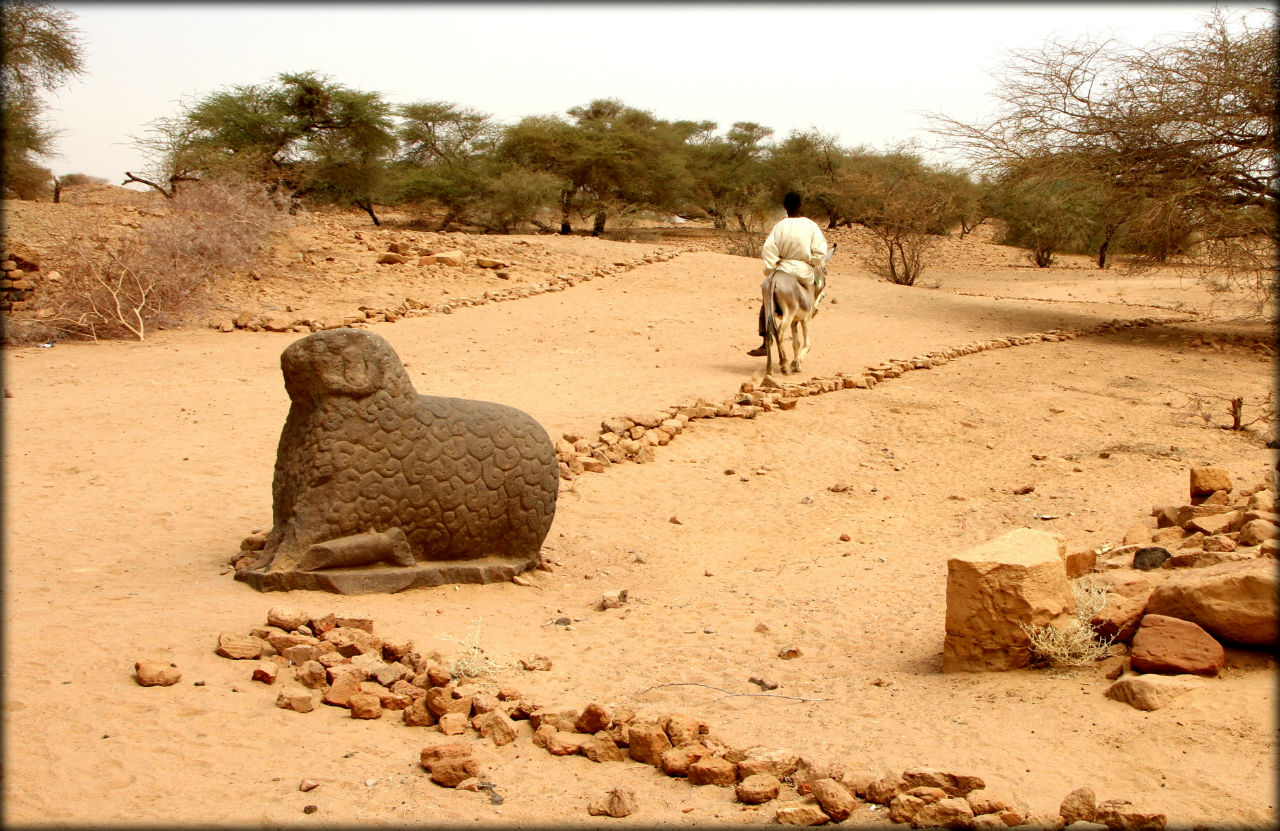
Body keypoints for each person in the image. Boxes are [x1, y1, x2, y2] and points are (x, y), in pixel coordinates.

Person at [747, 191, 829, 357]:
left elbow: (769, 250)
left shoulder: (779, 226)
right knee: (817, 284)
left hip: (783, 268)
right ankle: (810, 309)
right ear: (800, 205)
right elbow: (820, 252)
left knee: (766, 300)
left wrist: (771, 268)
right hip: (803, 270)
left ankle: (765, 342)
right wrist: (811, 261)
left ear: (785, 206)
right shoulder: (811, 226)